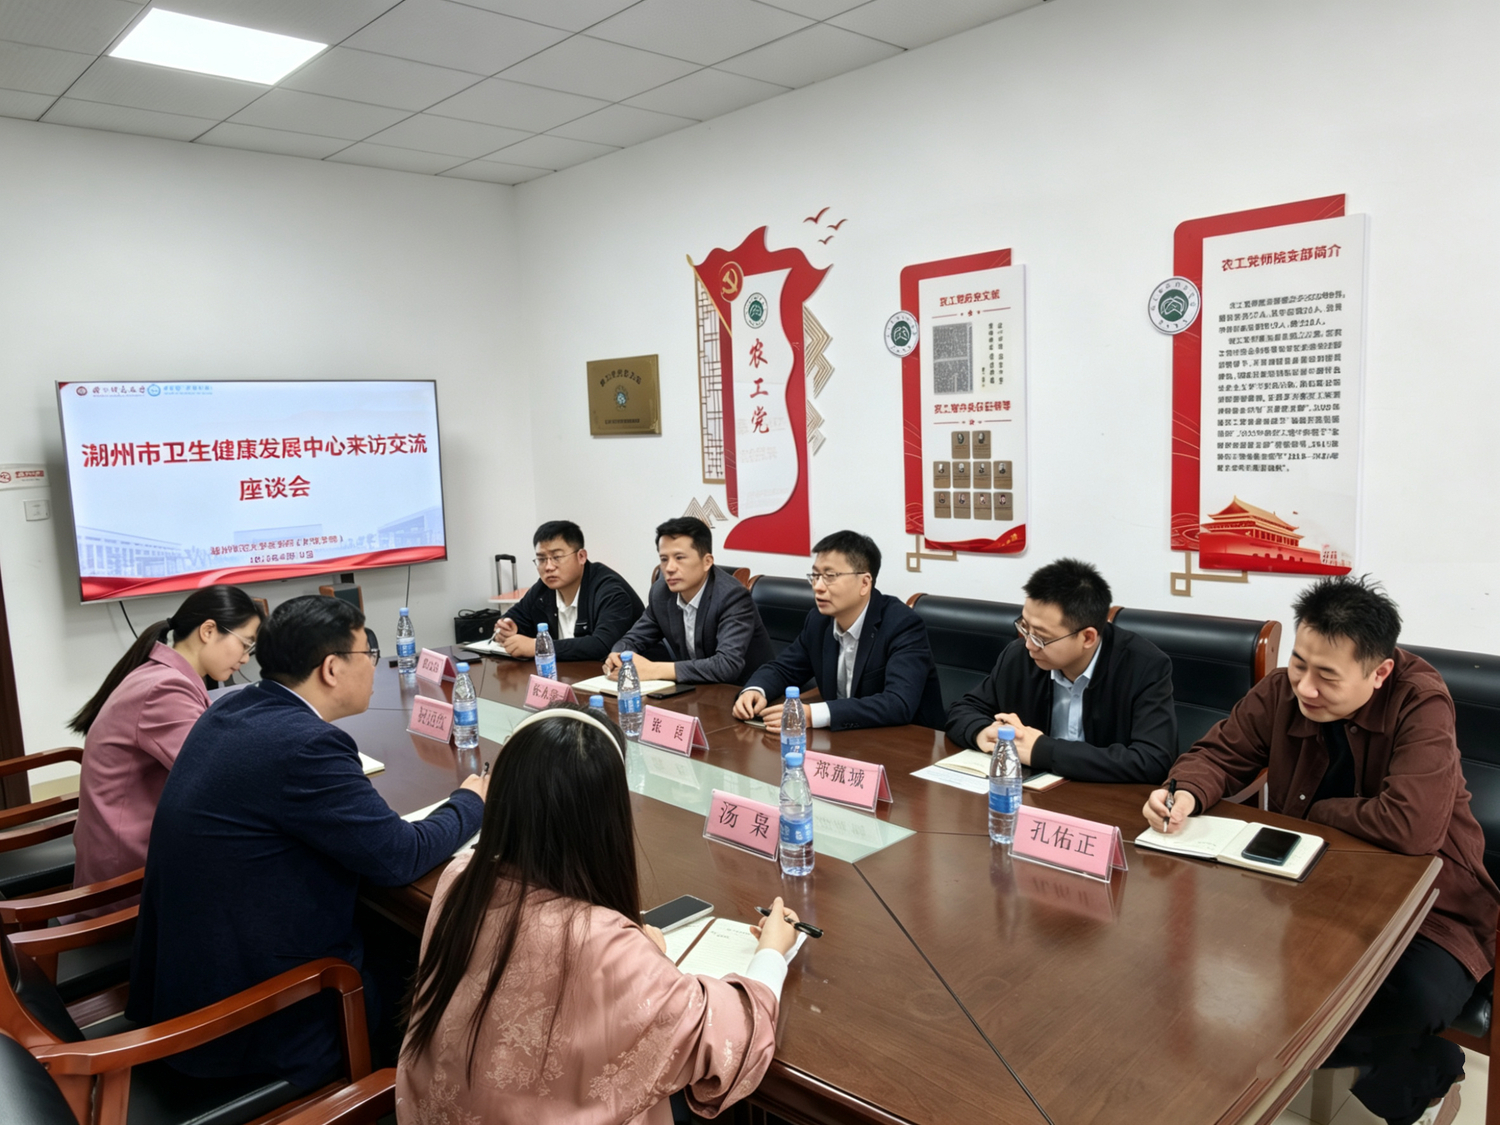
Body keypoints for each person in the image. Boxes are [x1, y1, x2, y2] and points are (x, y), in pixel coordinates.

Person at [1143, 576, 1499, 1125]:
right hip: (1307, 888)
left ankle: (1425, 1075)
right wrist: (1184, 792)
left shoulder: (1421, 703)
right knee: (1210, 970)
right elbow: (1218, 754)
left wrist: (1314, 814)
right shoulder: (1284, 690)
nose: (1306, 688)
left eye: (1327, 676)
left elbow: (1411, 828)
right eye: (1299, 663)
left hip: (1432, 903)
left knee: (1411, 1000)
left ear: (1379, 672)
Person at [128, 595, 487, 1090]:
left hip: (189, 983)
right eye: (368, 653)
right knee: (442, 960)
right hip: (253, 1021)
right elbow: (400, 857)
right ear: (332, 668)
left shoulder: (231, 707)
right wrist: (471, 802)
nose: (375, 664)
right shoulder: (306, 746)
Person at [397, 704, 799, 1124]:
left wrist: (637, 954)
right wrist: (772, 951)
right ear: (607, 817)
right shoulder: (605, 944)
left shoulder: (460, 878)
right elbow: (732, 1036)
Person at [68, 585, 262, 894]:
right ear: (208, 631)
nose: (246, 658)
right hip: (129, 872)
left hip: (129, 847)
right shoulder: (165, 689)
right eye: (245, 643)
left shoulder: (164, 675)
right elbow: (217, 776)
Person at [945, 559, 1177, 783]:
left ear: (1087, 637)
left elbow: (1153, 760)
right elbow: (963, 710)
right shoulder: (1019, 656)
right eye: (1025, 627)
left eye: (1041, 637)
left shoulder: (1144, 666)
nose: (1029, 644)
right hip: (1033, 793)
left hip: (1103, 798)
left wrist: (1042, 750)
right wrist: (982, 732)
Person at [732, 530, 944, 731]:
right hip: (844, 740)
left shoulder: (902, 624)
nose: (818, 586)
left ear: (864, 583)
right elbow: (784, 669)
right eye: (815, 576)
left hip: (908, 744)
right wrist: (755, 690)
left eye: (830, 576)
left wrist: (813, 715)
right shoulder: (819, 620)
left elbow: (898, 703)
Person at [604, 517, 773, 685]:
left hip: (744, 691)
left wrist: (653, 670)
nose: (669, 568)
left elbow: (726, 665)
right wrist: (619, 655)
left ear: (707, 562)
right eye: (664, 559)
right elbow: (634, 639)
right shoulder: (661, 592)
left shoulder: (732, 597)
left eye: (679, 558)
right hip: (694, 689)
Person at [492, 520, 650, 663]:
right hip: (569, 674)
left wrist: (539, 646)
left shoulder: (610, 590)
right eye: (541, 559)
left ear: (581, 556)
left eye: (557, 557)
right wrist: (508, 627)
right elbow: (516, 616)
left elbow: (603, 645)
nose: (548, 567)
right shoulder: (544, 588)